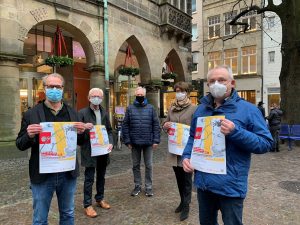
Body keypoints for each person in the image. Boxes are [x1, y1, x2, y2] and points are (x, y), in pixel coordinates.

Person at [182, 65, 273, 225]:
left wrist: (236, 132)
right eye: (212, 81)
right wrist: (186, 156)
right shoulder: (201, 110)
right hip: (204, 184)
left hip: (230, 186)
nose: (216, 83)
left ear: (232, 83)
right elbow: (192, 137)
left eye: (221, 80)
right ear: (208, 85)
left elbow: (265, 143)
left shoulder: (249, 110)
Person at [16, 73, 86, 225]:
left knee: (68, 214)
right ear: (44, 88)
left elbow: (81, 142)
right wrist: (28, 134)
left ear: (62, 89)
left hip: (67, 174)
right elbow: (20, 144)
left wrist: (82, 133)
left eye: (58, 87)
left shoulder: (73, 113)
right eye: (50, 86)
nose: (54, 89)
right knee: (40, 218)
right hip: (42, 175)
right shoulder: (31, 113)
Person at [162, 81, 197, 221]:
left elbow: (197, 128)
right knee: (178, 178)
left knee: (187, 178)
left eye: (181, 90)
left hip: (187, 149)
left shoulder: (194, 109)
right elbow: (164, 125)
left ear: (187, 93)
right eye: (177, 90)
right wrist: (166, 125)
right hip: (174, 149)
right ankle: (182, 201)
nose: (179, 93)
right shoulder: (171, 108)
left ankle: (187, 205)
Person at [79, 88, 114, 218]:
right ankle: (87, 204)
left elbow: (109, 130)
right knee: (89, 178)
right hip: (89, 151)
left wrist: (111, 142)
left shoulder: (105, 112)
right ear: (88, 98)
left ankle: (100, 199)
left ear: (102, 98)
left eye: (98, 96)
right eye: (93, 96)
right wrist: (82, 128)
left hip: (103, 151)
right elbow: (77, 135)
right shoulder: (82, 113)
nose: (96, 98)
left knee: (101, 176)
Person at [122, 86, 160, 197]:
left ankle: (148, 187)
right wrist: (127, 141)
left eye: (141, 95)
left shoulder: (151, 108)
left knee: (149, 165)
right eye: (137, 95)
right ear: (135, 95)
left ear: (144, 95)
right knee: (135, 165)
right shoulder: (130, 108)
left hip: (148, 142)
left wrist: (156, 140)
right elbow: (125, 125)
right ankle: (137, 186)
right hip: (134, 142)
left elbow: (155, 125)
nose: (139, 96)